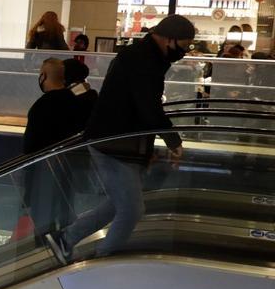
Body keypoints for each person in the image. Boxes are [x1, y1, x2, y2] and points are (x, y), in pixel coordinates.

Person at [46, 15, 192, 264]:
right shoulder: (143, 60)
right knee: (132, 209)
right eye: (183, 46)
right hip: (113, 144)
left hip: (117, 142)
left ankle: (66, 239)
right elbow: (148, 107)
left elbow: (142, 106)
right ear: (168, 39)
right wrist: (173, 141)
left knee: (119, 203)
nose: (184, 52)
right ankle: (103, 261)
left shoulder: (145, 56)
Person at [22, 59, 88, 241]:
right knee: (64, 216)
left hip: (44, 173)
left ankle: (45, 256)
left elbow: (30, 146)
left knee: (43, 223)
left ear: (43, 76)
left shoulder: (41, 106)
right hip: (69, 171)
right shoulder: (76, 102)